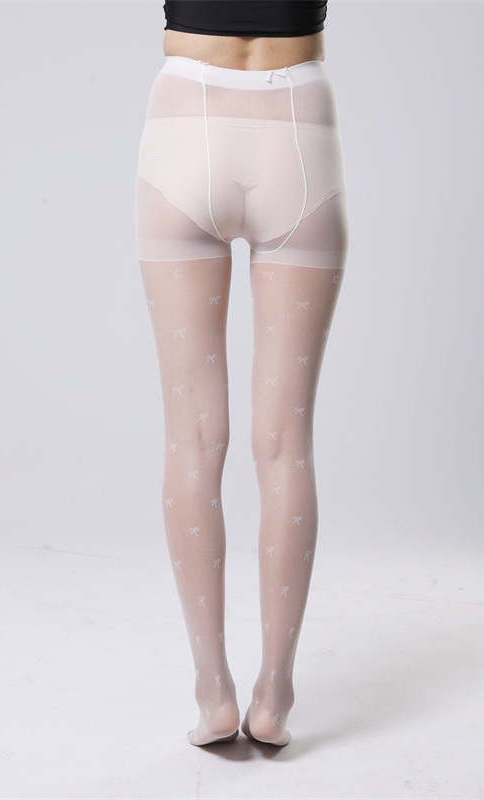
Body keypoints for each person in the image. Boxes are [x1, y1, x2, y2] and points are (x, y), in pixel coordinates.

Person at [134, 0, 348, 747]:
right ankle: (275, 693)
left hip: (185, 119)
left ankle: (212, 691)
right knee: (286, 444)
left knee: (192, 439)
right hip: (298, 124)